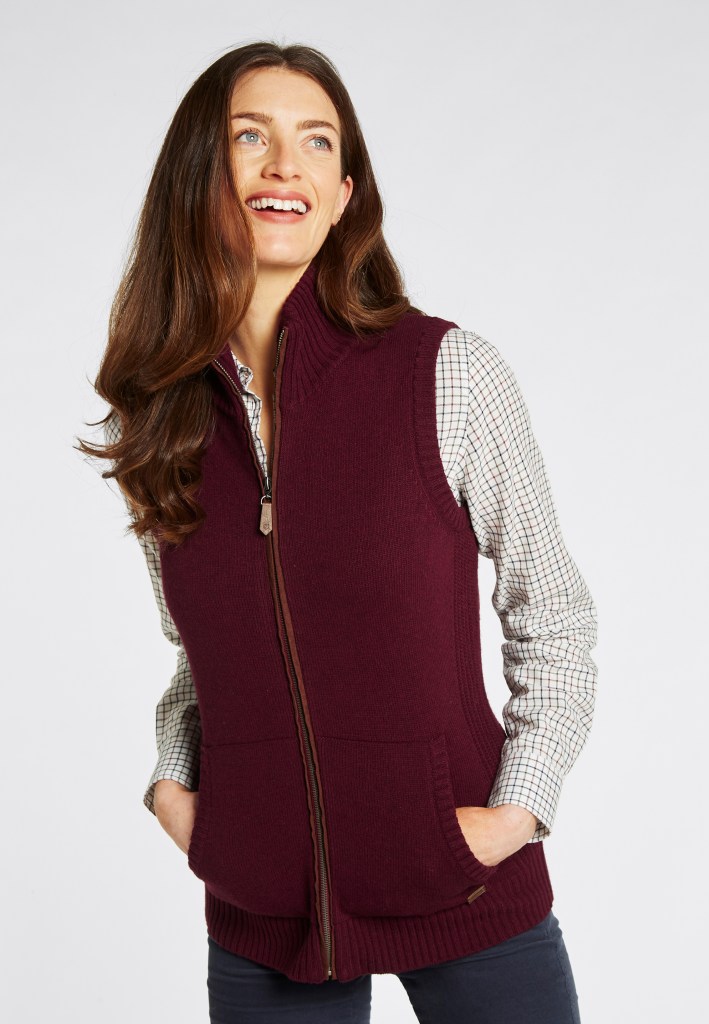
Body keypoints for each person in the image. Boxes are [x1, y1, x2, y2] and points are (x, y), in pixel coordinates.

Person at [81, 40, 598, 1023]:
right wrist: (175, 790)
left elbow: (555, 617)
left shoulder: (447, 373)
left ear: (344, 192)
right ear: (198, 176)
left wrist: (517, 811)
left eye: (316, 141)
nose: (286, 164)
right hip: (261, 912)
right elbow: (198, 658)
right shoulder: (164, 421)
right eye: (250, 137)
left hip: (465, 887)